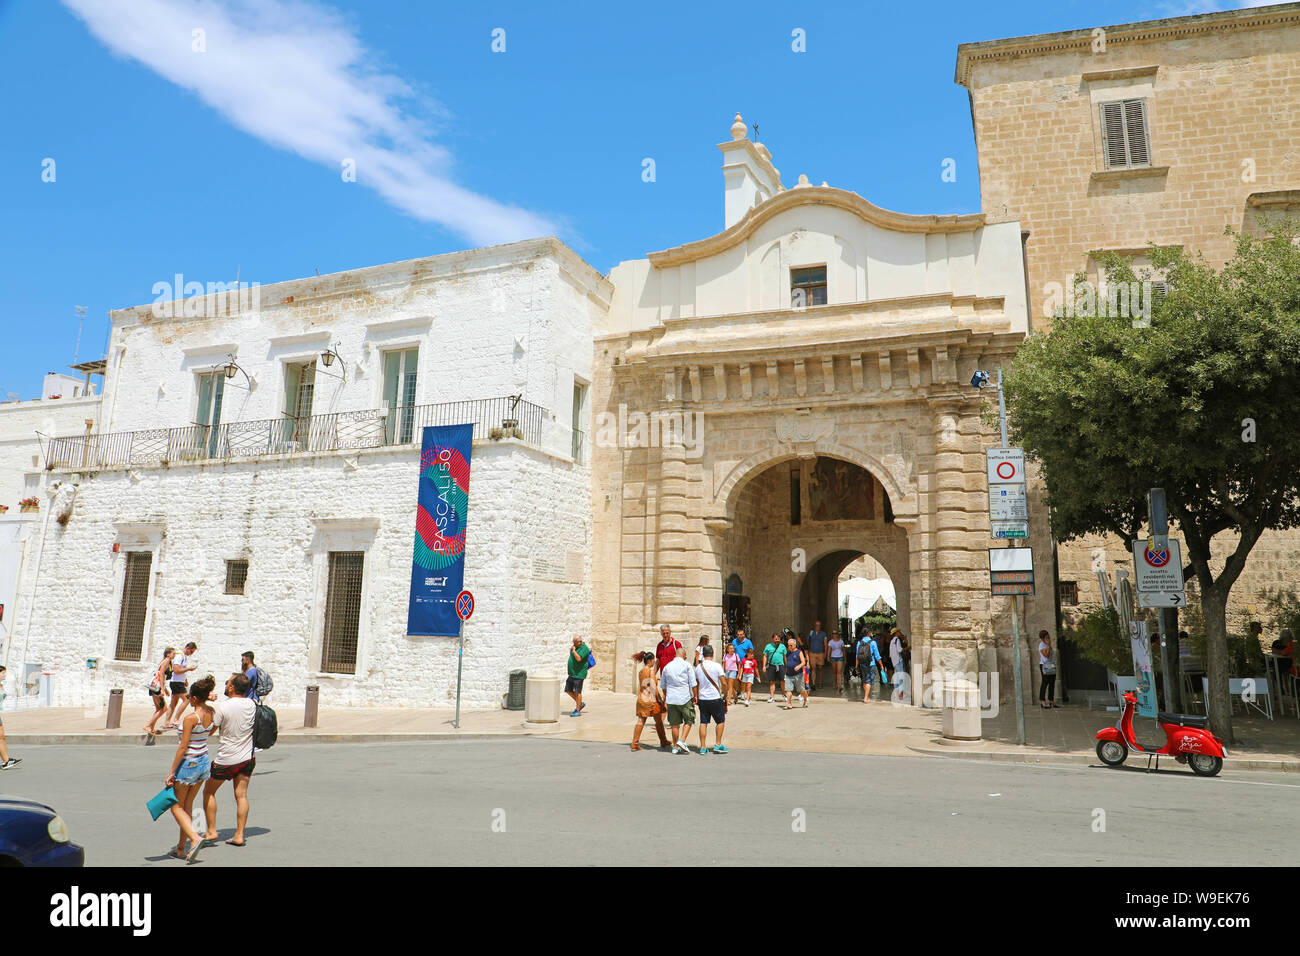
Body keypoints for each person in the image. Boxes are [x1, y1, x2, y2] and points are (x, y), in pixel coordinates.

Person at [163, 674, 216, 863]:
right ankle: (180, 847)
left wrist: (171, 772)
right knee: (187, 806)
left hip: (189, 763)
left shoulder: (190, 718)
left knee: (175, 806)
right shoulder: (211, 712)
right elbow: (211, 731)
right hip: (204, 761)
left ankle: (194, 838)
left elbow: (183, 746)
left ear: (194, 698)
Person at [202, 673, 257, 848]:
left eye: (227, 683)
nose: (226, 685)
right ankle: (239, 834)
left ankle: (211, 830)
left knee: (208, 792)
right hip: (247, 757)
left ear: (232, 688)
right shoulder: (252, 704)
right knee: (241, 796)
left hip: (226, 758)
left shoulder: (223, 707)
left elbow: (209, 731)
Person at [659, 646, 698, 754]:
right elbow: (693, 683)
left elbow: (663, 685)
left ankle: (675, 747)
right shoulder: (687, 665)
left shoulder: (667, 666)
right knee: (689, 719)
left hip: (671, 698)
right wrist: (695, 695)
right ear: (684, 655)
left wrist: (666, 697)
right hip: (684, 697)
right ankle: (682, 740)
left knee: (675, 724)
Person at [630, 651, 670, 751]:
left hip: (641, 698)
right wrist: (660, 699)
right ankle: (663, 740)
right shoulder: (651, 671)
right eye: (654, 660)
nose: (654, 662)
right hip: (650, 700)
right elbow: (653, 687)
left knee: (641, 721)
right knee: (659, 721)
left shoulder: (641, 671)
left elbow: (645, 682)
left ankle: (635, 743)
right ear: (650, 660)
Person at [694, 645, 728, 754]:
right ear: (713, 654)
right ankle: (718, 744)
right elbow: (723, 682)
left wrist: (697, 696)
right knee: (720, 721)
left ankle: (703, 746)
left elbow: (697, 683)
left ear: (703, 655)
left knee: (703, 722)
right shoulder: (717, 666)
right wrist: (725, 694)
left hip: (703, 698)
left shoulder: (699, 667)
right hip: (715, 697)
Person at [164, 642, 199, 729]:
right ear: (187, 648)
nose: (191, 654)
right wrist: (189, 669)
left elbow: (180, 671)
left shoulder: (183, 656)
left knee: (173, 703)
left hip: (178, 682)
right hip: (177, 683)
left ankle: (167, 723)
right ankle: (175, 720)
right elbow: (176, 670)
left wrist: (185, 680)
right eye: (191, 652)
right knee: (187, 700)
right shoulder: (179, 656)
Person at [145, 647, 175, 735]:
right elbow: (161, 675)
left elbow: (161, 676)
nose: (174, 655)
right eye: (173, 653)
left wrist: (165, 689)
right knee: (164, 708)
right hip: (157, 688)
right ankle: (148, 725)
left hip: (156, 686)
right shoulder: (166, 661)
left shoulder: (167, 662)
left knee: (159, 708)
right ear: (168, 654)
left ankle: (151, 728)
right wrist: (162, 689)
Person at [566, 634, 590, 717]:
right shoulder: (575, 647)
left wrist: (573, 651)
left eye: (575, 642)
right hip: (572, 673)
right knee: (568, 690)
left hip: (579, 674)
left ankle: (577, 710)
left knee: (577, 692)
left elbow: (579, 658)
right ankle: (580, 703)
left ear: (580, 642)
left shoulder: (585, 649)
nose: (573, 644)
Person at [855, 631, 883, 702]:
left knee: (864, 680)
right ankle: (866, 698)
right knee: (869, 681)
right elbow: (877, 656)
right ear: (869, 633)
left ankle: (867, 696)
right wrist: (881, 665)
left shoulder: (859, 642)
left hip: (862, 664)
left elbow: (857, 656)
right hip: (871, 664)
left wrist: (856, 666)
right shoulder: (873, 642)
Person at [0, 666, 18, 770]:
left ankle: (7, 761)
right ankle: (6, 760)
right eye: (3, 673)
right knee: (1, 736)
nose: (5, 675)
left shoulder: (1, 684)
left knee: (1, 737)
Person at [783, 636, 807, 709]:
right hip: (789, 675)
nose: (789, 646)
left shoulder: (799, 652)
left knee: (801, 690)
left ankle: (805, 700)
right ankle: (789, 704)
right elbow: (786, 662)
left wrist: (799, 666)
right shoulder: (787, 653)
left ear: (795, 645)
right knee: (788, 690)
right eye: (788, 645)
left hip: (798, 675)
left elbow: (803, 662)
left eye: (791, 645)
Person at [763, 632, 786, 703]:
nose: (777, 640)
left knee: (783, 681)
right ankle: (772, 697)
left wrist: (787, 666)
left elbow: (785, 657)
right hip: (771, 666)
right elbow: (765, 656)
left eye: (778, 639)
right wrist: (764, 666)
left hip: (781, 665)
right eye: (776, 639)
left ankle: (784, 695)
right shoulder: (768, 646)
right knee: (772, 682)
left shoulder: (782, 646)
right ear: (772, 639)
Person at [807, 620, 828, 690]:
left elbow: (825, 643)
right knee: (813, 668)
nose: (817, 626)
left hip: (820, 653)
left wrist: (825, 652)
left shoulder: (823, 634)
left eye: (819, 625)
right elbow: (808, 640)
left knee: (820, 668)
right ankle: (813, 684)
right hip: (812, 653)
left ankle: (820, 682)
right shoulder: (811, 632)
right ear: (814, 626)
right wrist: (808, 650)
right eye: (816, 625)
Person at [827, 631, 845, 696]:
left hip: (840, 657)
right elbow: (829, 650)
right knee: (834, 672)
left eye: (835, 633)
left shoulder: (841, 642)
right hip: (833, 657)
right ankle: (835, 684)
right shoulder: (830, 642)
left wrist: (844, 658)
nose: (834, 634)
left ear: (838, 634)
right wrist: (828, 657)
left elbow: (843, 650)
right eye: (833, 633)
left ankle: (840, 685)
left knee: (839, 672)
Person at [722, 641, 740, 705]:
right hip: (727, 671)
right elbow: (724, 664)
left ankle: (728, 700)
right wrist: (722, 672)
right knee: (730, 686)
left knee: (730, 685)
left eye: (733, 648)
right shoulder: (725, 655)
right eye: (730, 648)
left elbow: (739, 664)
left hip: (733, 670)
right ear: (727, 649)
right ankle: (735, 698)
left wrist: (739, 673)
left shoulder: (736, 655)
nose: (732, 650)